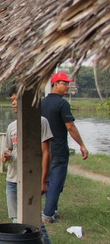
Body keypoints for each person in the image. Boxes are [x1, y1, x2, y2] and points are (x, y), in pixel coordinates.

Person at [1, 89, 57, 244]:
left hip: (30, 179)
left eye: (17, 99)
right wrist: (6, 156)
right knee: (15, 221)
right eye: (12, 100)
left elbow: (46, 152)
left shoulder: (41, 122)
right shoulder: (11, 127)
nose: (14, 103)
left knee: (35, 223)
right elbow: (8, 150)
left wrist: (43, 180)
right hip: (12, 179)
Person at [40, 72, 89, 222]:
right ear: (54, 84)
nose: (67, 86)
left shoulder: (41, 103)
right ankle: (48, 214)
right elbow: (70, 127)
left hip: (43, 149)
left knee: (47, 179)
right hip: (58, 149)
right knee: (55, 181)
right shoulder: (62, 104)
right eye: (64, 83)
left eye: (68, 83)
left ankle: (51, 210)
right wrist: (81, 145)